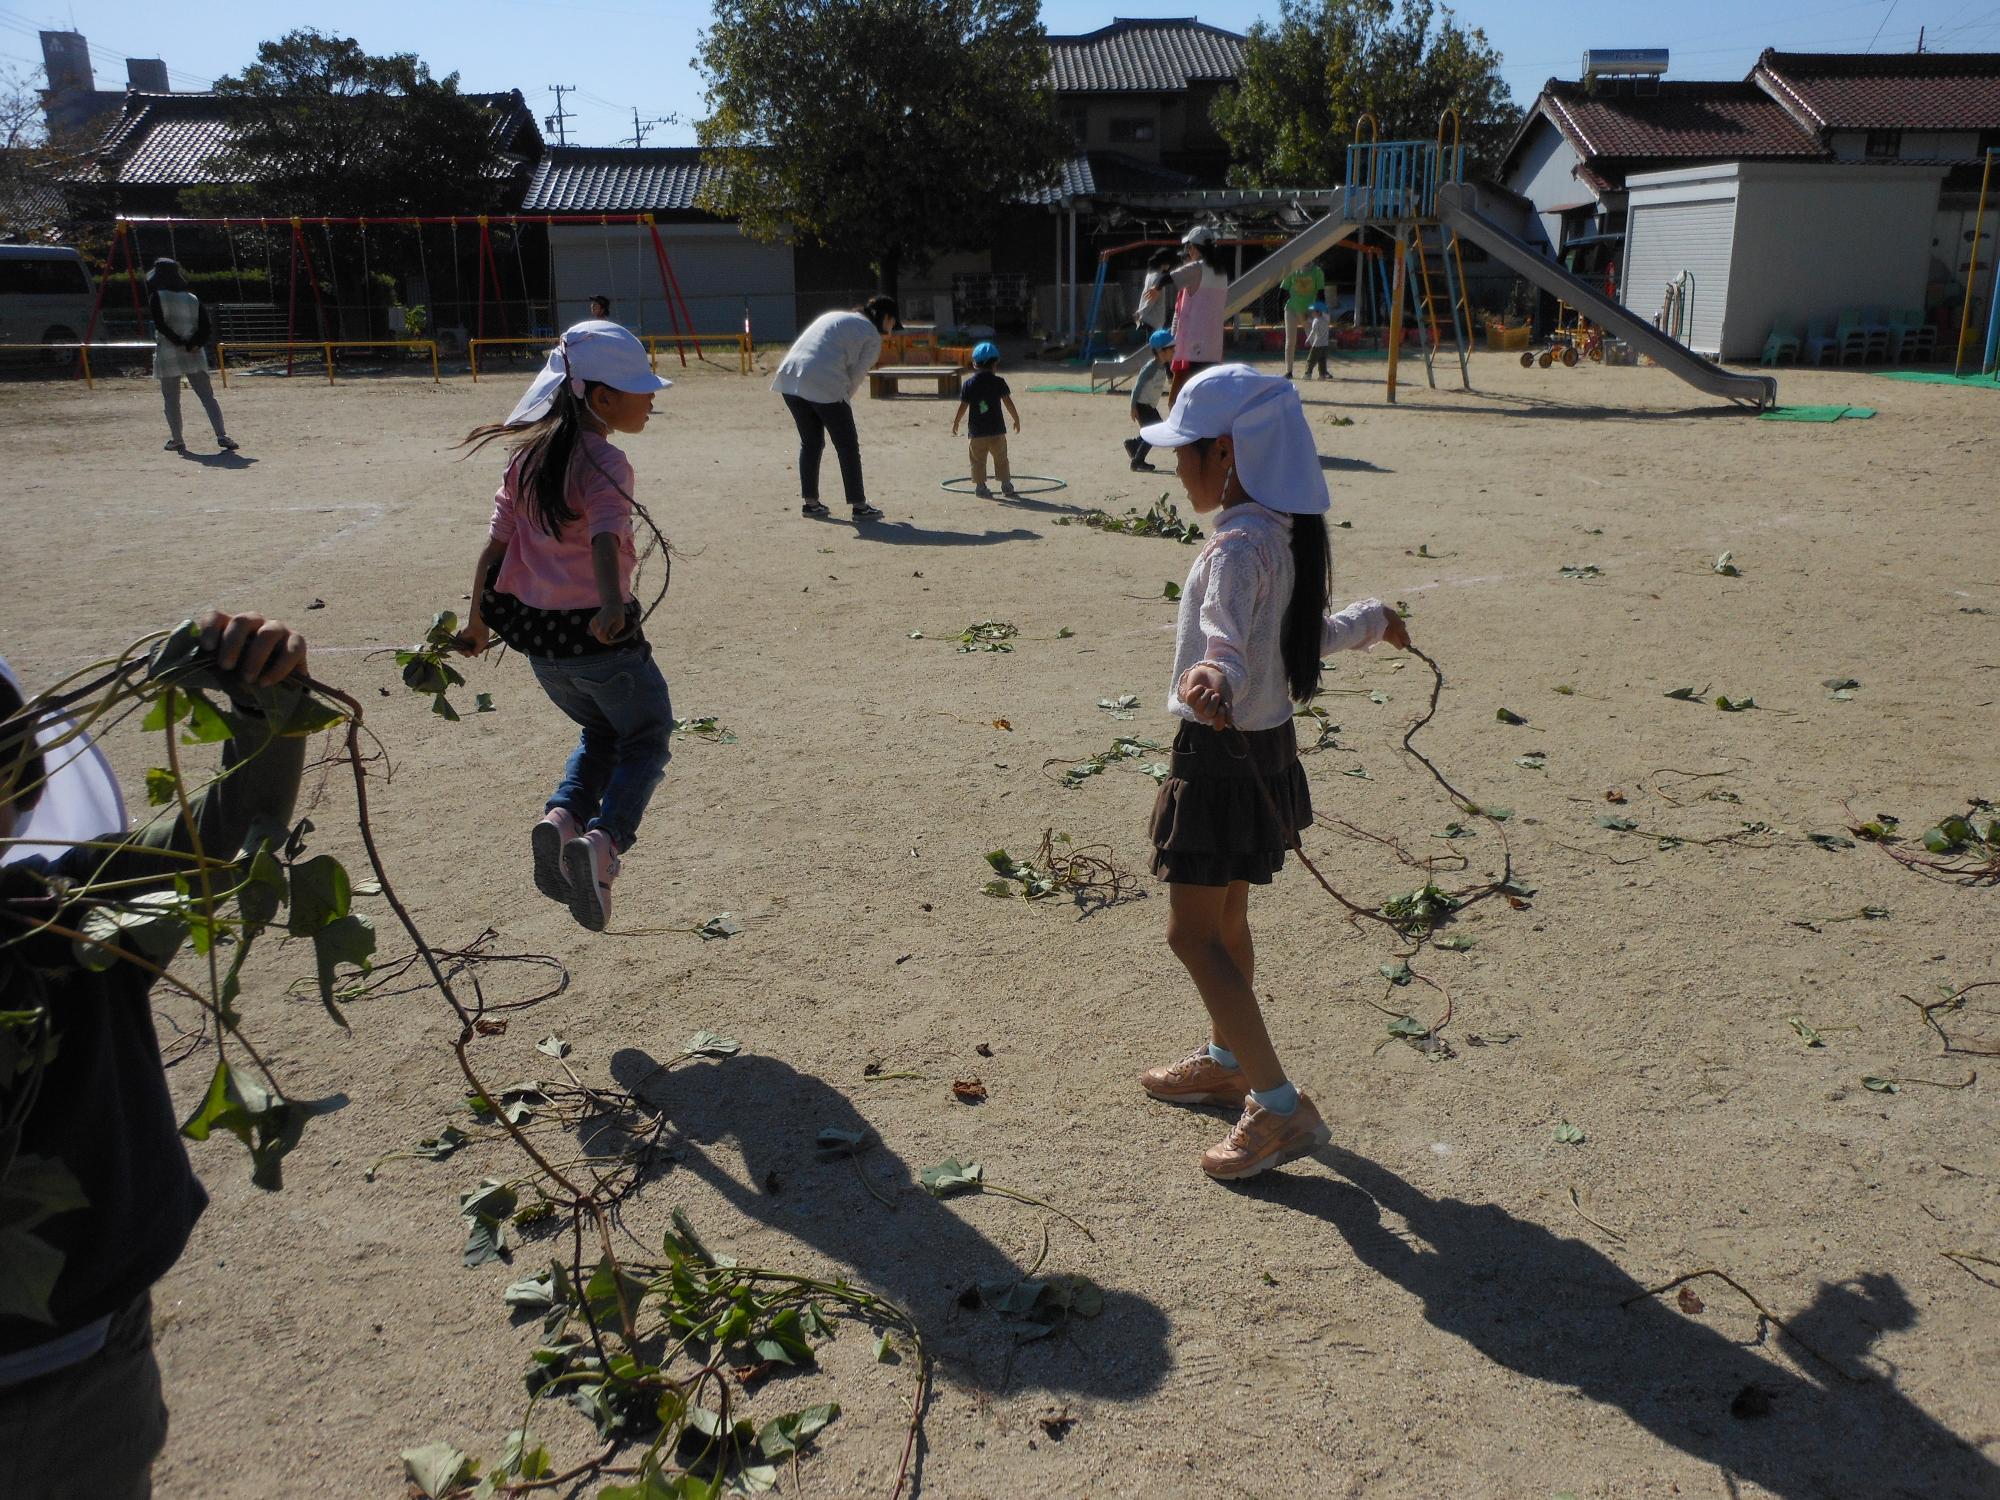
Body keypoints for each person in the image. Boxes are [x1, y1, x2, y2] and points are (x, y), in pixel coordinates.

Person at [0, 608, 310, 1498]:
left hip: (93, 1367)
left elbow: (226, 833)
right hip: (82, 1382)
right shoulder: (71, 915)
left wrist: (266, 704)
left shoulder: (67, 911)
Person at [1131, 364, 1411, 1181]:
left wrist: (1209, 676)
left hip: (1219, 758)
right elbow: (1292, 642)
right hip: (1266, 749)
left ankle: (1280, 1107)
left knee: (1190, 933)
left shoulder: (1232, 549)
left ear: (1225, 453)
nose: (1174, 465)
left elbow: (1224, 638)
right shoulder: (1282, 534)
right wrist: (1369, 622)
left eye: (1183, 450)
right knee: (1225, 924)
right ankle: (1226, 1056)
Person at [454, 321, 673, 932]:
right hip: (601, 640)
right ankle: (604, 846)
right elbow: (605, 535)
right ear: (601, 398)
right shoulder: (604, 461)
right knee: (649, 735)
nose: (652, 398)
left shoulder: (525, 460)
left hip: (542, 646)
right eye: (641, 389)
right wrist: (610, 606)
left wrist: (476, 624)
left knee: (601, 732)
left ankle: (562, 822)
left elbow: (495, 546)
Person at [770, 296, 899, 522]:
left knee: (811, 442)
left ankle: (811, 503)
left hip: (790, 378)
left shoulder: (834, 316)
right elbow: (857, 375)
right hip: (824, 381)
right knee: (847, 446)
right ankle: (859, 506)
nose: (891, 328)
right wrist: (841, 402)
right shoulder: (871, 334)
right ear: (886, 318)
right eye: (892, 322)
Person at [145, 258, 236, 455]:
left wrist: (178, 341)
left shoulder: (157, 297)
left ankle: (177, 439)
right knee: (207, 396)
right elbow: (205, 325)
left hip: (168, 352)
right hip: (194, 353)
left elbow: (160, 324)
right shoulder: (192, 298)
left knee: (171, 399)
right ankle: (221, 434)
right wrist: (194, 343)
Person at [950, 341, 1020, 499]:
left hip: (977, 432)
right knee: (1001, 458)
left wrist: (956, 422)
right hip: (997, 430)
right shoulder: (999, 382)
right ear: (996, 363)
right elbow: (1008, 402)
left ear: (974, 364)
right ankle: (1006, 485)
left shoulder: (969, 384)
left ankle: (981, 487)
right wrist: (1016, 418)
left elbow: (963, 406)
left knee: (977, 460)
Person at [1167, 226, 1229, 403]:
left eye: (1188, 250)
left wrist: (1174, 340)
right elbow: (1178, 315)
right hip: (1212, 346)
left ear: (1194, 248)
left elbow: (1180, 316)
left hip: (1192, 347)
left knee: (1185, 399)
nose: (1186, 257)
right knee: (1204, 396)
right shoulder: (1221, 272)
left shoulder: (1198, 271)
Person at [1124, 327, 1174, 471]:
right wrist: (1133, 407)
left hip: (1149, 405)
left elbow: (1172, 379)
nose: (1174, 351)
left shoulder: (1164, 365)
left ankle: (1133, 445)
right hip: (1141, 405)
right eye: (1171, 348)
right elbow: (1137, 386)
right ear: (1160, 351)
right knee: (1154, 432)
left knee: (1153, 429)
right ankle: (1137, 462)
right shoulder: (1150, 367)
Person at [1282, 259, 1326, 379]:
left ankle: (1322, 371)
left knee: (1316, 340)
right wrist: (1277, 311)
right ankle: (1289, 371)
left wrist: (1319, 311)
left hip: (1309, 311)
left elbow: (1321, 293)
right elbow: (1283, 290)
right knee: (1290, 341)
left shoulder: (1317, 272)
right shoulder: (1292, 270)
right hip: (1292, 309)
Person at [1133, 247, 1178, 337]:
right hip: (1152, 321)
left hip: (1148, 320)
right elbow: (1151, 300)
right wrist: (1140, 313)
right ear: (1165, 262)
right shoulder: (1158, 278)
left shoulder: (1150, 275)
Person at [1303, 299, 1333, 380]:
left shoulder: (1316, 321)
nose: (1312, 313)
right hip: (1325, 344)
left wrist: (1308, 339)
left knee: (1311, 359)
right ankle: (1322, 375)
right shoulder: (1326, 320)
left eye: (1314, 312)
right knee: (1322, 360)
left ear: (1319, 312)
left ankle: (1308, 374)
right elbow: (1318, 320)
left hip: (1317, 344)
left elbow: (1313, 331)